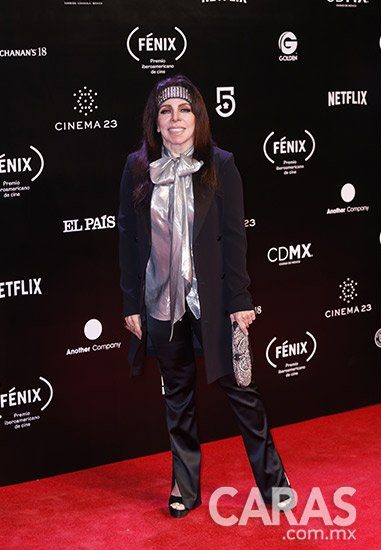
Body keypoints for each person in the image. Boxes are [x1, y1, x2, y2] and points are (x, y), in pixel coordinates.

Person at [118, 74, 294, 518]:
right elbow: (128, 241)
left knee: (243, 392)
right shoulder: (137, 168)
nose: (175, 119)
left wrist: (240, 299)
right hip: (161, 302)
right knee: (177, 398)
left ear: (198, 118)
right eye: (166, 111)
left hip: (211, 301)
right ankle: (185, 486)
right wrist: (131, 303)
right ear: (155, 121)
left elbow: (235, 238)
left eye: (184, 110)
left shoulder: (222, 165)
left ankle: (274, 484)